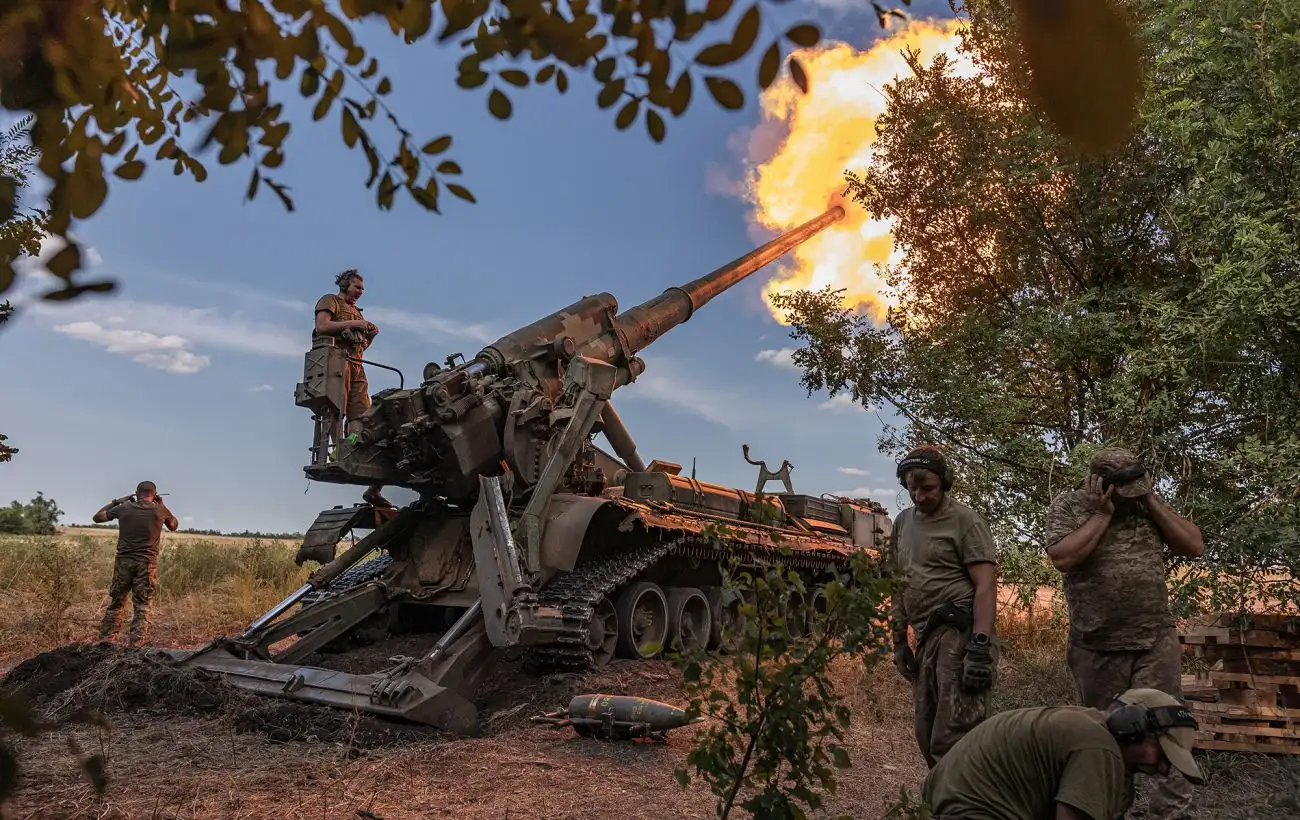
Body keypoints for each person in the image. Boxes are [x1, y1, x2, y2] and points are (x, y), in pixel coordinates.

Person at [1045, 447, 1205, 818]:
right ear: (1098, 482)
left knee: (1168, 727)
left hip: (1154, 641)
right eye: (1123, 485)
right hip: (1096, 645)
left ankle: (1171, 812)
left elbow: (1194, 545)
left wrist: (1148, 498)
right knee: (1105, 735)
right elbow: (1062, 558)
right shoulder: (1071, 506)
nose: (1129, 492)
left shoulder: (1146, 503)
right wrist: (1102, 514)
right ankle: (1110, 809)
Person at [921, 687, 1206, 819]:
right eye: (1163, 755)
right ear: (1132, 726)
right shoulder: (1098, 747)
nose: (1165, 769)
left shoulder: (1088, 729)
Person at [887, 444, 1000, 768]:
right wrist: (898, 642)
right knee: (926, 730)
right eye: (913, 489)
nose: (920, 496)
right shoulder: (902, 523)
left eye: (928, 488)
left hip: (958, 632)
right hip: (924, 636)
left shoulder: (966, 521)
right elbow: (897, 585)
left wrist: (979, 646)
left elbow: (985, 585)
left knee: (955, 736)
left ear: (945, 483)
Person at [313, 268, 390, 509]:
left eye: (363, 290)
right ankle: (337, 450)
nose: (360, 293)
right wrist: (356, 322)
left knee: (361, 413)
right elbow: (322, 328)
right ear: (346, 284)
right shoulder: (330, 301)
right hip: (337, 361)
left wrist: (370, 333)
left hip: (357, 364)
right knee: (337, 406)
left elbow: (362, 347)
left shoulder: (358, 313)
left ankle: (352, 447)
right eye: (357, 287)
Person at [92, 481, 178, 648]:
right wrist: (163, 505)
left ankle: (106, 641)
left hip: (124, 562)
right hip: (147, 564)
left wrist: (117, 501)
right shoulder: (160, 510)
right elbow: (173, 525)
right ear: (155, 494)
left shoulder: (124, 508)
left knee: (117, 601)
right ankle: (135, 646)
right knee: (142, 605)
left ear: (136, 494)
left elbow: (98, 517)